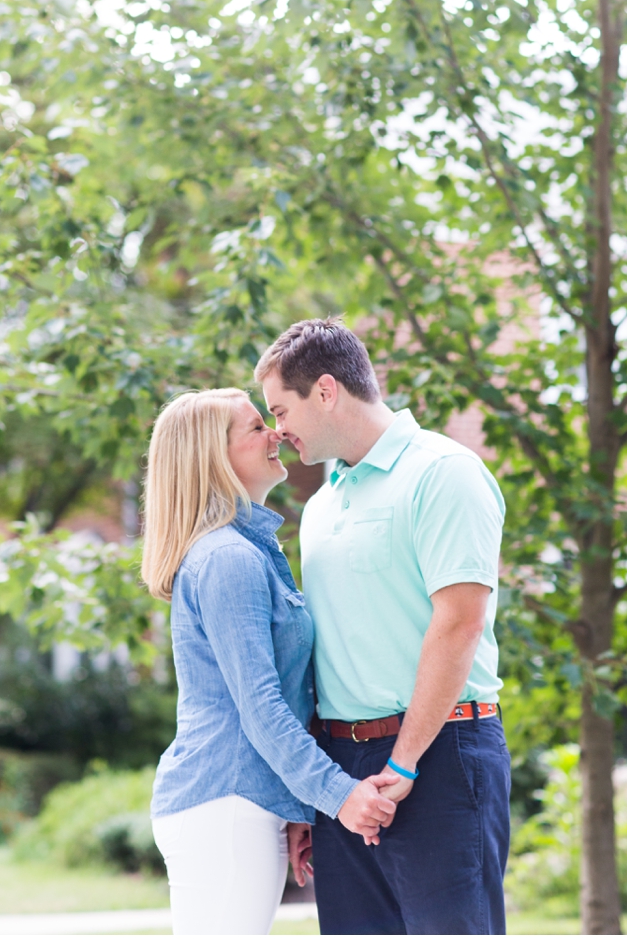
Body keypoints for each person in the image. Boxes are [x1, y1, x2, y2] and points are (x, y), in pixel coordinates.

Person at [255, 319, 512, 936]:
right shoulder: (319, 507)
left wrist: (402, 766)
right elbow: (322, 656)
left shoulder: (444, 472)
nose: (275, 429)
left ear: (324, 391)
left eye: (279, 408)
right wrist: (313, 797)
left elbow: (459, 625)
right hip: (342, 772)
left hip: (440, 757)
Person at [141, 388, 399, 936]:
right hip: (226, 804)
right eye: (256, 428)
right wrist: (338, 796)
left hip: (242, 802)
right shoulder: (229, 559)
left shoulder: (250, 549)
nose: (276, 433)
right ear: (215, 457)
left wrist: (298, 808)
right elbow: (260, 707)